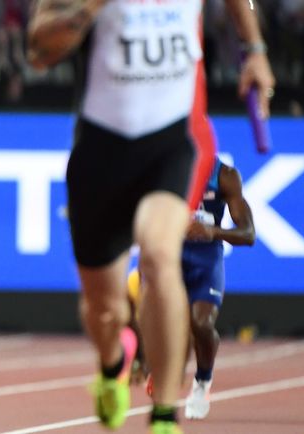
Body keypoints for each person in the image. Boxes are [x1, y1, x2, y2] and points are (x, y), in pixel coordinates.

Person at [27, 1, 274, 432]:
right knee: (103, 309)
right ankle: (112, 360)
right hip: (103, 149)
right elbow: (39, 51)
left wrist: (254, 49)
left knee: (160, 255)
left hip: (176, 140)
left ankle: (164, 414)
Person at [183, 156, 255, 419]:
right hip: (169, 254)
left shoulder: (223, 176)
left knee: (201, 323)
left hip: (205, 257)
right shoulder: (162, 165)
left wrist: (213, 232)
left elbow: (248, 234)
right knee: (162, 317)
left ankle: (202, 381)